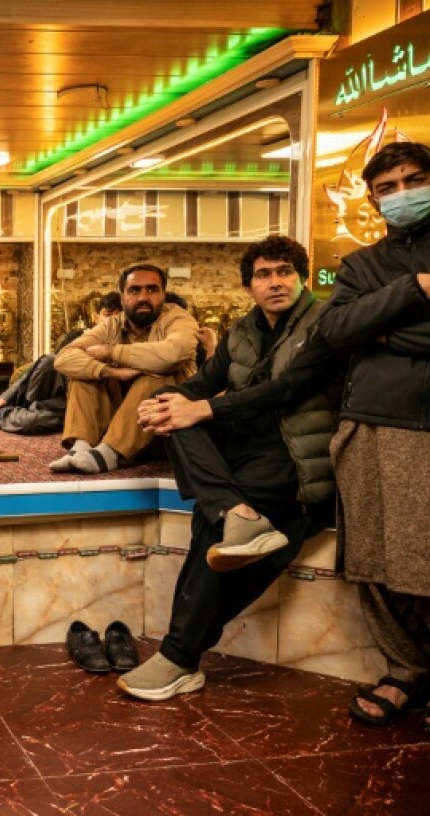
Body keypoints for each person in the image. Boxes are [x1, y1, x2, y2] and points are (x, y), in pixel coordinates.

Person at [119, 235, 341, 700]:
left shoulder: (325, 323)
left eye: (285, 272)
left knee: (210, 529)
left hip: (294, 457)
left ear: (301, 278)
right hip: (243, 451)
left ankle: (179, 657)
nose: (275, 282)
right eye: (264, 274)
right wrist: (162, 404)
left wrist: (203, 408)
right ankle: (235, 510)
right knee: (174, 409)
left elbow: (287, 389)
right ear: (248, 287)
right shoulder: (242, 330)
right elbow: (202, 383)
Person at [316, 141, 430, 729]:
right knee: (374, 560)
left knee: (423, 559)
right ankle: (405, 669)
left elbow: (360, 329)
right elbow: (336, 330)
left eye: (414, 181)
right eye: (388, 188)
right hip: (370, 423)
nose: (401, 195)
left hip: (423, 429)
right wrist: (415, 290)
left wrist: (384, 333)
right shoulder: (362, 264)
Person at [50, 263, 199, 474]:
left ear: (163, 295)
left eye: (152, 289)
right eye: (134, 290)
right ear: (122, 297)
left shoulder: (179, 319)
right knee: (86, 374)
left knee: (154, 377)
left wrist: (110, 352)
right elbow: (63, 358)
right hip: (116, 422)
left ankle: (108, 454)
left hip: (165, 428)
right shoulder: (112, 325)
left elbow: (172, 354)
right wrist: (111, 372)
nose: (143, 297)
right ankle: (82, 447)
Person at [0, 292, 121, 434]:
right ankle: (18, 408)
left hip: (72, 402)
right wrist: (2, 399)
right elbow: (35, 374)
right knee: (49, 361)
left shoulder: (123, 347)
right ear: (96, 317)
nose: (111, 322)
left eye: (117, 317)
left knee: (32, 421)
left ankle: (3, 414)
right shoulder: (77, 336)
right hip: (48, 394)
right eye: (107, 315)